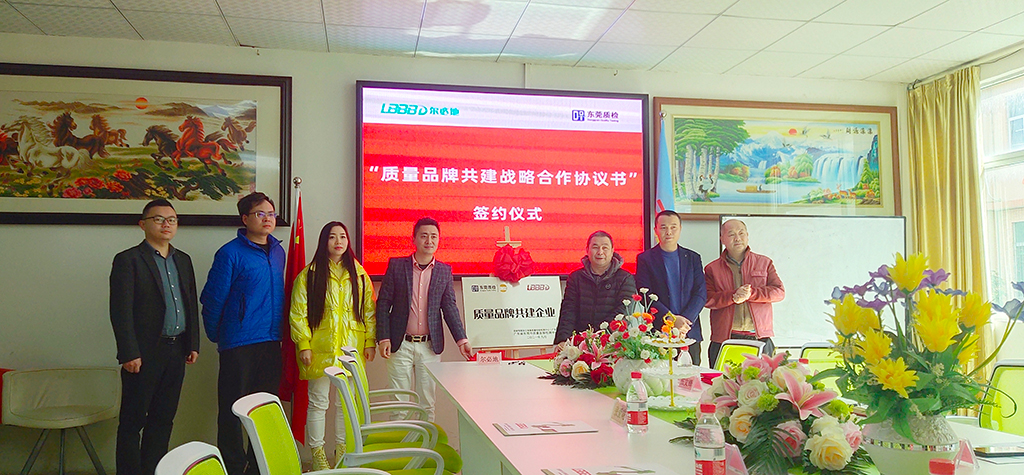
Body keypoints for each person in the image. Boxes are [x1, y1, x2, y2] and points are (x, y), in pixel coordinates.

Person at [110, 199, 200, 475]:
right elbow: (120, 310)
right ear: (143, 224)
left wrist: (193, 343)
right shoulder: (128, 260)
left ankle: (154, 470)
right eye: (158, 219)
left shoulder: (183, 259)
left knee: (163, 419)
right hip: (143, 353)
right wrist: (129, 352)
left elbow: (190, 303)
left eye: (171, 220)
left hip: (176, 350)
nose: (166, 224)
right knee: (132, 422)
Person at [200, 192, 286, 475]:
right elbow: (213, 299)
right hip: (238, 342)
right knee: (232, 409)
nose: (267, 219)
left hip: (271, 340)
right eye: (261, 214)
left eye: (271, 214)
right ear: (245, 218)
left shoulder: (278, 252)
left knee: (264, 409)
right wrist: (218, 334)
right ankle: (234, 466)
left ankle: (259, 465)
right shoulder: (230, 253)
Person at [289, 221, 376, 470]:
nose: (338, 241)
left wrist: (370, 341)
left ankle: (342, 452)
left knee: (345, 405)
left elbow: (369, 312)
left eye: (343, 237)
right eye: (332, 237)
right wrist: (304, 345)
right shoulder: (309, 275)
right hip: (320, 349)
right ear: (324, 241)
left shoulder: (360, 275)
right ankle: (317, 454)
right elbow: (298, 313)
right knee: (318, 402)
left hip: (351, 350)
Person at [376, 217, 473, 421]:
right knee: (399, 406)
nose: (429, 241)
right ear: (414, 239)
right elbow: (383, 303)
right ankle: (402, 442)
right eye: (424, 236)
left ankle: (425, 442)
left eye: (434, 236)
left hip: (429, 347)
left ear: (438, 240)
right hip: (400, 344)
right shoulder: (396, 266)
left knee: (427, 405)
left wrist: (461, 339)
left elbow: (449, 307)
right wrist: (383, 337)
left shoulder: (444, 271)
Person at [704, 219, 785, 368]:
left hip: (759, 338)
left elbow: (779, 292)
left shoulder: (764, 263)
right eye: (731, 234)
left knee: (763, 381)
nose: (737, 238)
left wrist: (752, 293)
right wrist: (732, 297)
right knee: (721, 381)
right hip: (725, 339)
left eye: (741, 233)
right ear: (722, 239)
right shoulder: (712, 269)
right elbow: (707, 299)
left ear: (747, 236)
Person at [635, 210, 707, 365]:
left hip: (688, 332)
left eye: (673, 227)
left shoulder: (693, 258)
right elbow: (645, 294)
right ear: (655, 230)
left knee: (690, 376)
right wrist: (671, 319)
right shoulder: (645, 259)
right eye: (663, 227)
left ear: (680, 229)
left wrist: (684, 322)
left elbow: (700, 293)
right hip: (659, 332)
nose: (668, 232)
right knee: (659, 376)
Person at [553, 230, 636, 344]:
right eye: (595, 247)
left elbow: (623, 313)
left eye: (605, 248)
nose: (600, 252)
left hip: (613, 343)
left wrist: (595, 337)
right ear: (587, 250)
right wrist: (563, 340)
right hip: (580, 343)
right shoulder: (576, 278)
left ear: (612, 251)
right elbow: (568, 311)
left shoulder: (625, 278)